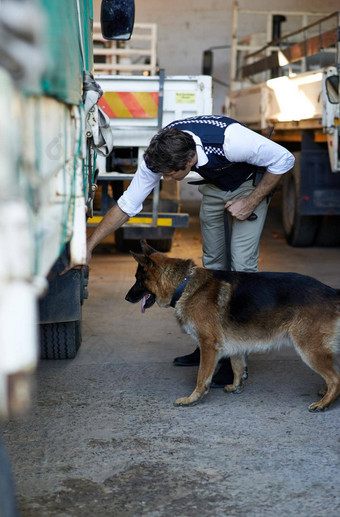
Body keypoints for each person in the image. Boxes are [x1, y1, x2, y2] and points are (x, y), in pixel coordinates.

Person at [76, 115, 295, 386]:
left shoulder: (232, 141)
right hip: (215, 186)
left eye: (170, 174)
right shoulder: (161, 153)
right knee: (212, 263)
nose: (165, 179)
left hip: (249, 184)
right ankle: (208, 340)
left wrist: (252, 200)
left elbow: (284, 159)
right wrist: (89, 245)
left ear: (190, 160)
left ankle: (235, 356)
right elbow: (126, 206)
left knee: (241, 268)